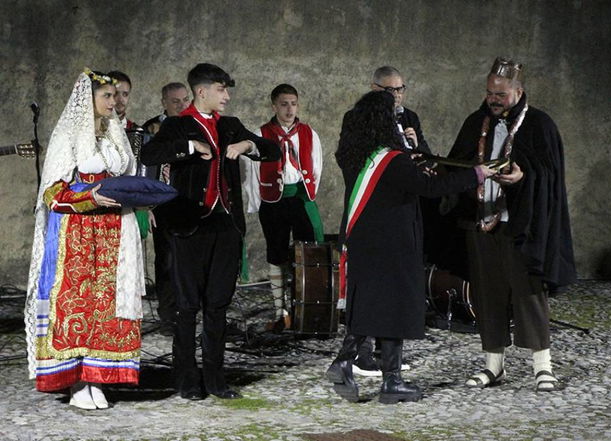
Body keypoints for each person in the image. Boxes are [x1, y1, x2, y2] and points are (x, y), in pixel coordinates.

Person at [325, 91, 495, 404]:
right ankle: (364, 369)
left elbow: (400, 182)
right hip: (392, 243)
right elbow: (431, 189)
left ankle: (381, 376)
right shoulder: (391, 160)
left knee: (376, 304)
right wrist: (475, 174)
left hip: (363, 239)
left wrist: (412, 160)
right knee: (395, 306)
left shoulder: (355, 155)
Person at [140, 63, 280, 401]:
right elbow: (150, 153)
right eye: (222, 90)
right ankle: (187, 380)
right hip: (189, 224)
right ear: (202, 92)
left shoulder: (230, 126)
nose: (227, 97)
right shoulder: (177, 124)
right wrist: (189, 148)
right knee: (187, 306)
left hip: (225, 225)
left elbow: (271, 149)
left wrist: (248, 146)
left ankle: (216, 379)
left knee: (218, 304)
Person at [446, 57, 577, 392]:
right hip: (481, 222)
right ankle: (493, 366)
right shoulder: (476, 122)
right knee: (487, 294)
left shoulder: (539, 125)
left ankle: (543, 367)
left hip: (521, 225)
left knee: (529, 292)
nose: (493, 98)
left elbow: (549, 174)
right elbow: (459, 162)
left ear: (518, 91)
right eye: (490, 92)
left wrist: (523, 176)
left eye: (501, 94)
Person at [24, 69, 145, 410]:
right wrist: (89, 197)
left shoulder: (115, 135)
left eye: (117, 95)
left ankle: (99, 377)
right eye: (107, 96)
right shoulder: (69, 135)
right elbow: (52, 193)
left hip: (115, 232)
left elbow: (128, 176)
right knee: (78, 305)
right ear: (88, 100)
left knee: (108, 305)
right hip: (77, 236)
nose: (114, 102)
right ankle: (75, 379)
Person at [348, 66, 433, 376]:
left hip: (404, 213)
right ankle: (360, 355)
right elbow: (352, 159)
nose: (396, 95)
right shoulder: (357, 117)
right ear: (374, 89)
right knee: (373, 285)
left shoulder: (409, 118)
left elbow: (425, 159)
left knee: (397, 286)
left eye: (400, 89)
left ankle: (390, 359)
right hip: (373, 210)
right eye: (390, 90)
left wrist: (413, 145)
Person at [241, 84, 323, 330]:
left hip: (299, 198)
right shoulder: (261, 133)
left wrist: (310, 193)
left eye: (293, 103)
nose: (289, 109)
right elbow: (251, 171)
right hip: (273, 200)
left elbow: (317, 166)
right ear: (274, 105)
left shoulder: (309, 133)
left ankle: (304, 307)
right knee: (276, 253)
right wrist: (257, 203)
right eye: (284, 104)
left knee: (306, 253)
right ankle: (280, 311)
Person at [141, 82, 192, 332]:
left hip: (188, 200)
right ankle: (168, 313)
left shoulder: (193, 126)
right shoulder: (150, 129)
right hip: (161, 202)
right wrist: (146, 205)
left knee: (189, 258)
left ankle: (188, 308)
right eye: (175, 101)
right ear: (163, 103)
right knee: (167, 259)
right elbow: (142, 169)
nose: (181, 105)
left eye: (185, 100)